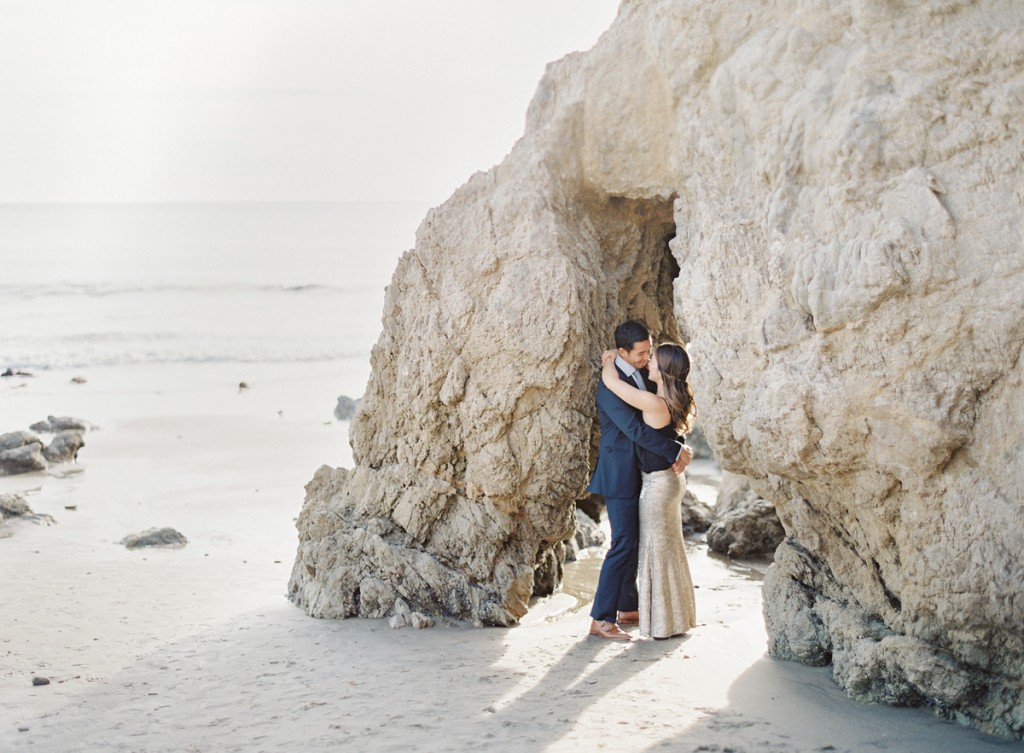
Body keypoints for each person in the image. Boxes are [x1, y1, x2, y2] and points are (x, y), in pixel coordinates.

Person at [587, 321, 693, 641]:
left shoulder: (643, 375)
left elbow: (662, 408)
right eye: (641, 353)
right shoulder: (610, 385)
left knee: (635, 542)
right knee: (622, 544)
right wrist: (674, 450)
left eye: (650, 351)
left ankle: (628, 606)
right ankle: (601, 620)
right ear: (622, 352)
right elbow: (636, 430)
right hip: (619, 475)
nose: (647, 359)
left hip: (644, 476)